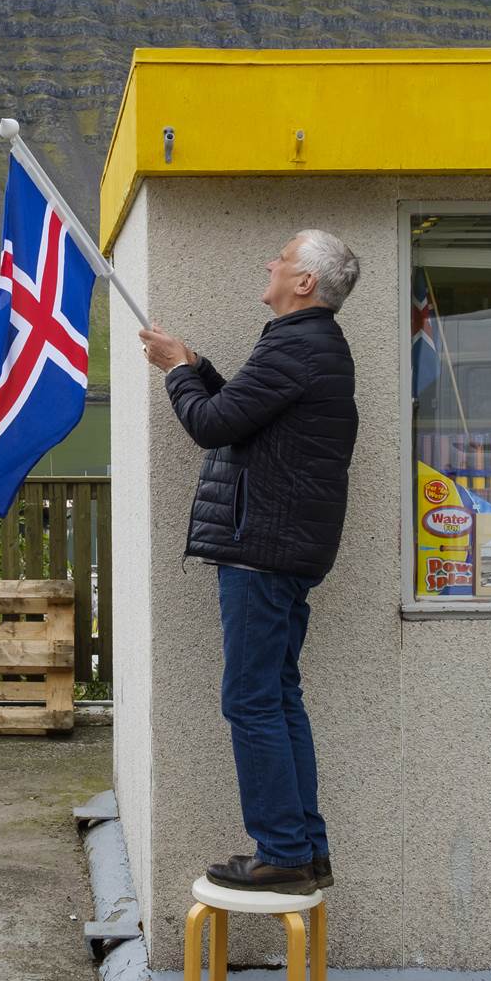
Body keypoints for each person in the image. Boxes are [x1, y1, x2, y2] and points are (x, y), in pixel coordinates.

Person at [137, 230, 361, 895]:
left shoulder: (297, 346)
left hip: (264, 551)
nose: (270, 262)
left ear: (304, 284)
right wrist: (194, 366)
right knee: (278, 696)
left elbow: (210, 424)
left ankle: (284, 852)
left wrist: (179, 372)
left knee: (251, 699)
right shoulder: (310, 347)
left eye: (283, 258)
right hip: (286, 550)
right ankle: (305, 850)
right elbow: (242, 411)